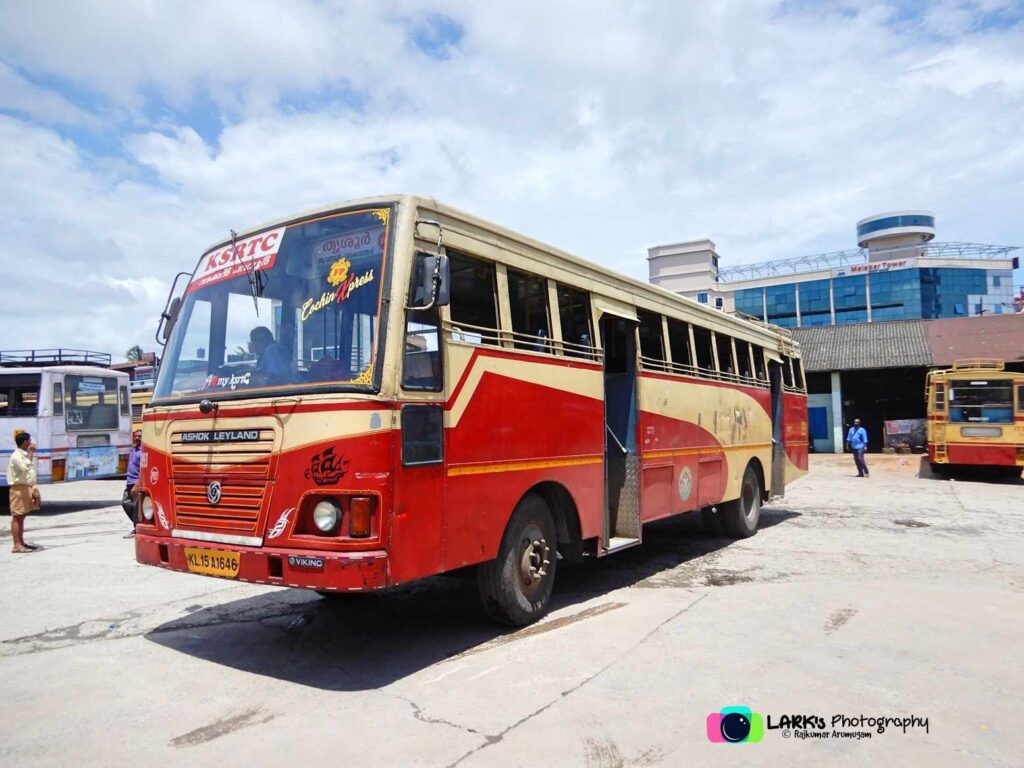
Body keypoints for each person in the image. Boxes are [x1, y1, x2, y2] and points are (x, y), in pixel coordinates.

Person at [6, 431, 41, 553]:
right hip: (18, 489)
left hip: (26, 488)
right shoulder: (16, 455)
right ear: (25, 442)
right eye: (29, 440)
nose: (31, 443)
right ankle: (17, 545)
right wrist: (31, 453)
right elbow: (24, 468)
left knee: (22, 516)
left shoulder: (23, 455)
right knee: (17, 517)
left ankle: (21, 542)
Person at [122, 429, 142, 537]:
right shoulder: (133, 449)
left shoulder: (143, 451)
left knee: (135, 507)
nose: (137, 438)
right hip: (129, 482)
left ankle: (137, 529)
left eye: (140, 436)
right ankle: (137, 526)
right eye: (136, 436)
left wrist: (137, 484)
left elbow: (144, 470)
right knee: (125, 503)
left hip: (136, 483)